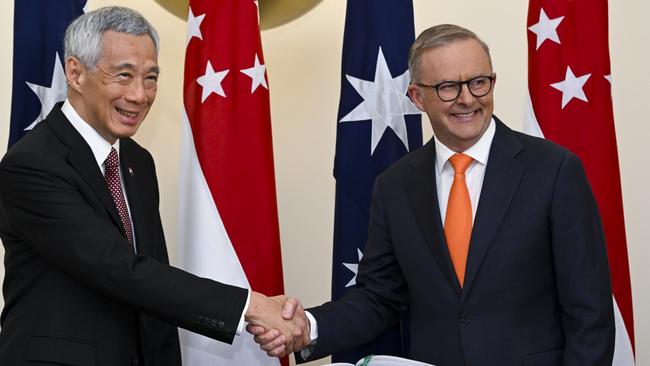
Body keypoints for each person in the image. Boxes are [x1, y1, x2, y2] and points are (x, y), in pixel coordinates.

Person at [251, 24, 615, 365]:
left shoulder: (553, 169)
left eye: (478, 82)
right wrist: (307, 326)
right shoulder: (394, 185)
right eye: (447, 87)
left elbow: (589, 311)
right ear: (417, 97)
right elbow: (379, 298)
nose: (466, 99)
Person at [0, 6, 306, 366]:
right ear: (75, 72)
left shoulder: (136, 162)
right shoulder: (30, 164)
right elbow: (118, 269)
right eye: (124, 75)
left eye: (150, 78)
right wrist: (250, 306)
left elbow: (150, 280)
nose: (139, 95)